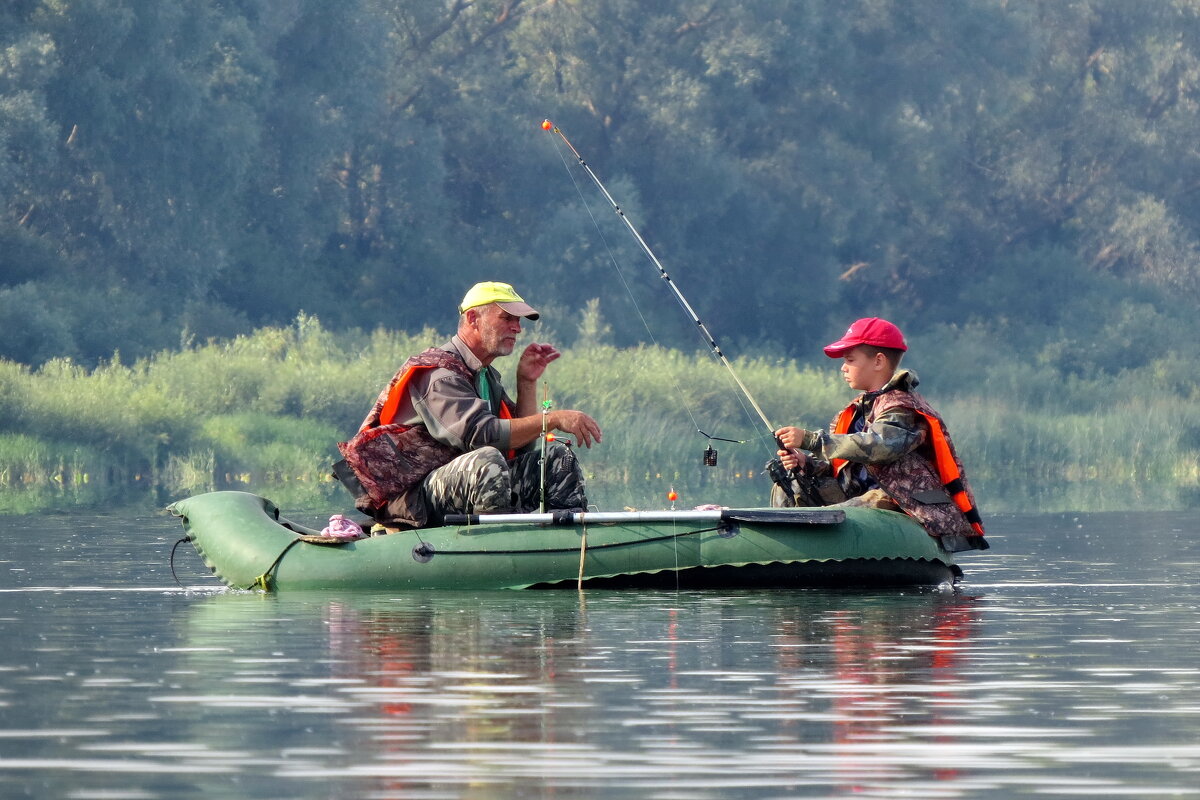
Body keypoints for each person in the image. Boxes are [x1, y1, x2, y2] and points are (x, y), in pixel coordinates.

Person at [335, 281, 602, 528]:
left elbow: (520, 445)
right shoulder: (440, 374)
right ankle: (495, 548)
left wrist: (526, 381)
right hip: (413, 500)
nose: (517, 328)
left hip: (459, 485)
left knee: (556, 457)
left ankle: (571, 541)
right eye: (507, 318)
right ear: (473, 319)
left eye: (518, 321)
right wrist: (553, 419)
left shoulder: (484, 375)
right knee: (487, 459)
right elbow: (482, 436)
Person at [771, 317, 988, 552]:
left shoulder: (902, 408)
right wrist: (806, 463)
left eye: (850, 360)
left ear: (878, 361)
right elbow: (842, 466)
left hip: (901, 503)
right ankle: (783, 550)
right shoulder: (854, 411)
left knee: (860, 505)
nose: (843, 367)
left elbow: (880, 446)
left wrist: (811, 440)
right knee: (787, 481)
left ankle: (815, 548)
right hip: (860, 498)